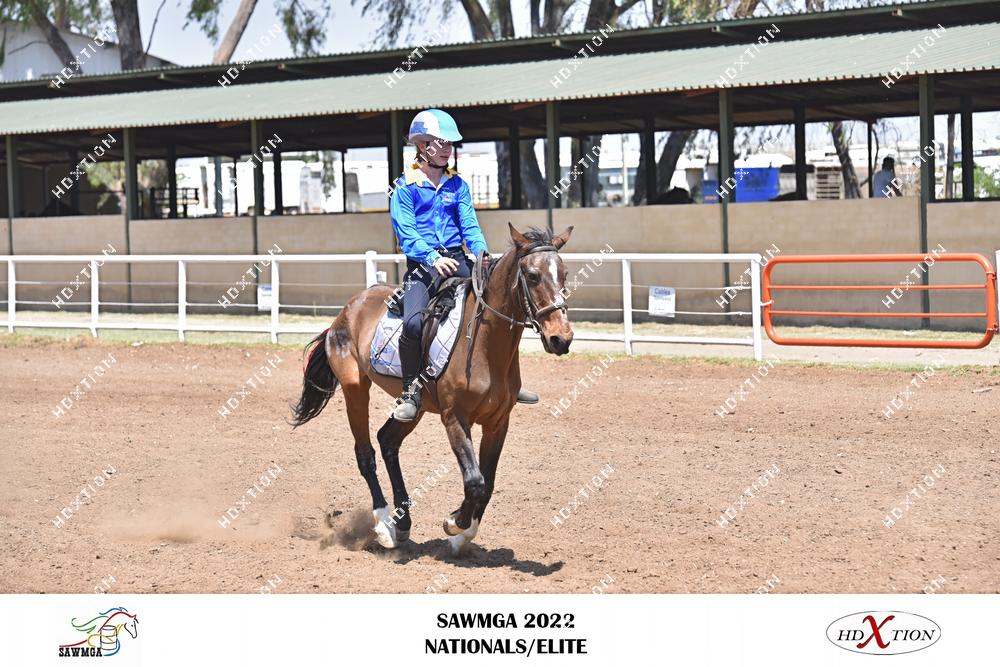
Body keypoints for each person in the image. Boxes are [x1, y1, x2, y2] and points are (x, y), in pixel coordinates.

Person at [388, 108, 538, 422]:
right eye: (441, 143)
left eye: (450, 144)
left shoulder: (458, 185)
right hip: (424, 266)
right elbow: (407, 234)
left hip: (458, 259)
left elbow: (469, 226)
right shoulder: (404, 187)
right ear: (422, 146)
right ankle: (411, 390)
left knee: (502, 308)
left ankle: (511, 380)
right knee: (413, 324)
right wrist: (433, 258)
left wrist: (481, 253)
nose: (448, 149)